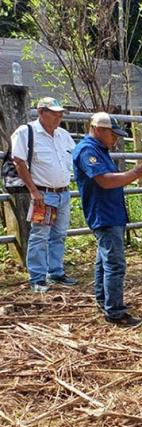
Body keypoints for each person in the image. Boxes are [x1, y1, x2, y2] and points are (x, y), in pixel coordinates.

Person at [73, 113, 142, 327]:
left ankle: (104, 301)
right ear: (98, 129)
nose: (115, 139)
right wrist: (134, 173)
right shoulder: (88, 150)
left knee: (104, 262)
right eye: (112, 134)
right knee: (114, 264)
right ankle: (115, 312)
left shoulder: (99, 149)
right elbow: (105, 181)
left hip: (109, 213)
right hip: (104, 214)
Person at [9, 97, 77, 292]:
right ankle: (37, 278)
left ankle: (56, 271)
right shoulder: (26, 132)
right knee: (40, 235)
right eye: (54, 113)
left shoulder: (62, 134)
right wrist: (33, 190)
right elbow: (19, 161)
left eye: (60, 114)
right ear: (40, 112)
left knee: (59, 234)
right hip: (43, 194)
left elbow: (74, 156)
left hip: (63, 192)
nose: (58, 117)